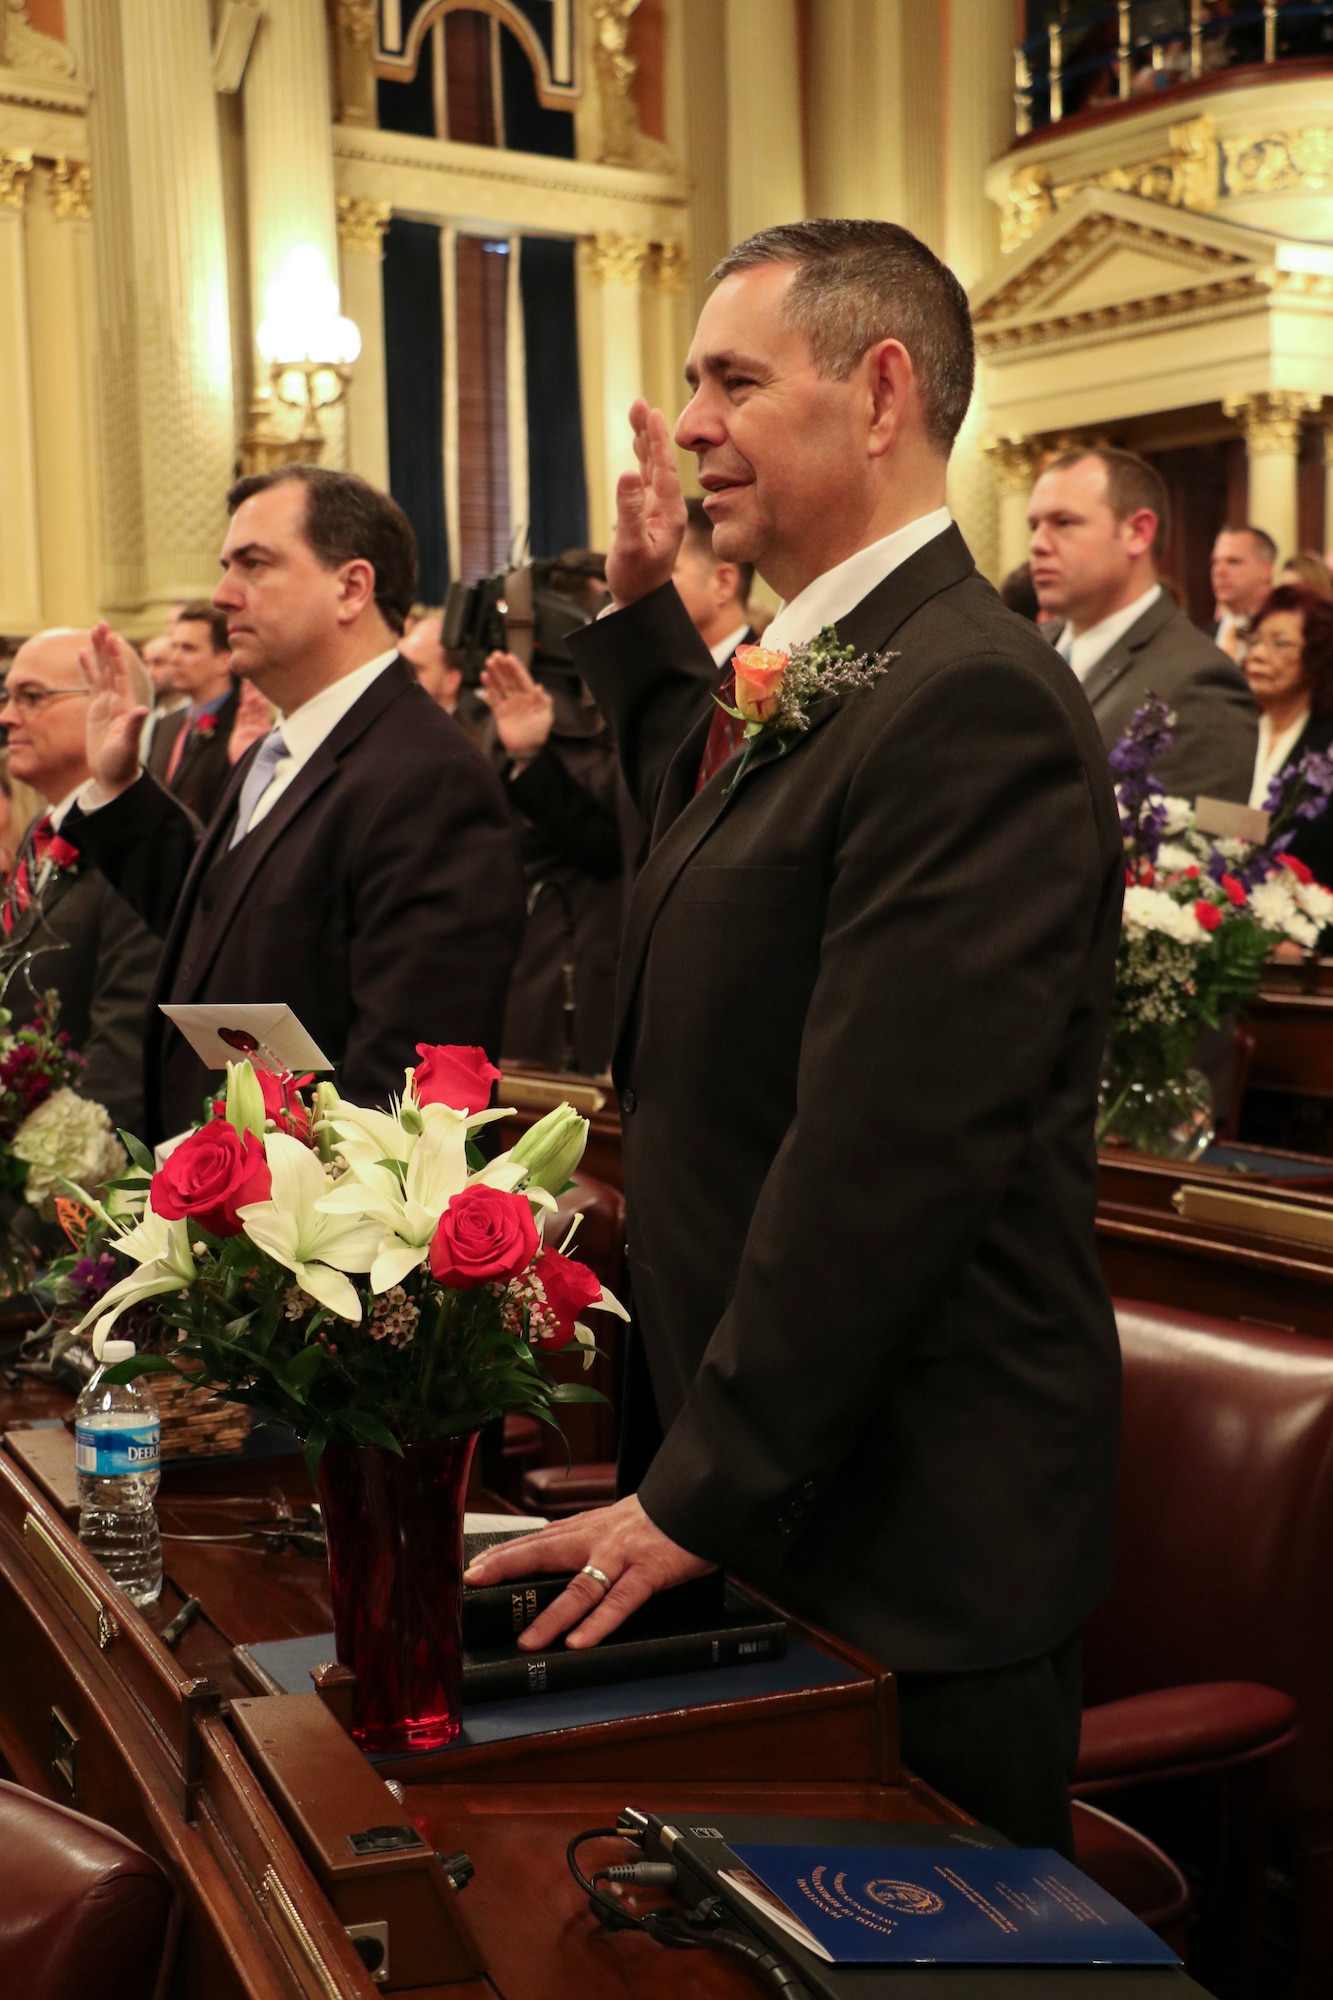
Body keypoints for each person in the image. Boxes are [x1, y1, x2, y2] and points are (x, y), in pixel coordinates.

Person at [466, 218, 1125, 1854]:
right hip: (773, 1495)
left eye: (731, 380)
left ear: (879, 386)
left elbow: (880, 1163)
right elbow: (699, 891)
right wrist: (638, 618)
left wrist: (692, 1490)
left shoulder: (965, 699)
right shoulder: (829, 663)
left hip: (906, 1541)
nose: (691, 421)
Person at [67, 465, 525, 1142]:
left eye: (254, 565)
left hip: (313, 1225)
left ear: (351, 587)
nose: (223, 596)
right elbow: (225, 929)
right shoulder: (279, 749)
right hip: (229, 1199)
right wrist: (120, 790)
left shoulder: (427, 776)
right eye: (227, 566)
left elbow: (405, 1087)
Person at [0, 631, 160, 1133]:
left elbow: (123, 1059)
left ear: (110, 706)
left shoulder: (141, 851)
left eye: (32, 697)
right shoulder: (43, 831)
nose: (6, 716)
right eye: (7, 698)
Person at [1029, 449, 1256, 801]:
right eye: (1034, 526)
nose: (1038, 544)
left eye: (1064, 523)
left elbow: (1189, 850)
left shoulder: (1199, 680)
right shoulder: (1029, 650)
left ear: (1138, 532)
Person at [479, 555, 625, 1076]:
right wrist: (527, 759)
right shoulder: (492, 726)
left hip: (588, 973)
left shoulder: (606, 720)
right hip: (531, 976)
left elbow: (607, 848)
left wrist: (531, 760)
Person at [1244, 583, 1333, 883]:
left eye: (1278, 644)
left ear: (1316, 654)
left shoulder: (1327, 744)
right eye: (1254, 641)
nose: (1256, 654)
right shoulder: (1236, 729)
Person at [145, 602, 239, 824]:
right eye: (174, 647)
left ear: (224, 661)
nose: (175, 659)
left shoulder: (240, 725)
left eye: (188, 648)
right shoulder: (166, 724)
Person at [671, 498, 756, 667]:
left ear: (723, 583)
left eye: (666, 571)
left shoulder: (770, 683)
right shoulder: (671, 680)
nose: (647, 587)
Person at [398, 608, 491, 749]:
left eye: (415, 668)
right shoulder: (387, 727)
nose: (401, 675)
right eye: (400, 664)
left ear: (451, 681)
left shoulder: (472, 748)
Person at [1210, 524, 1276, 660]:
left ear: (1266, 570)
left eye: (1233, 561)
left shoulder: (1285, 637)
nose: (1219, 571)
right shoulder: (1200, 639)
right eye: (1215, 562)